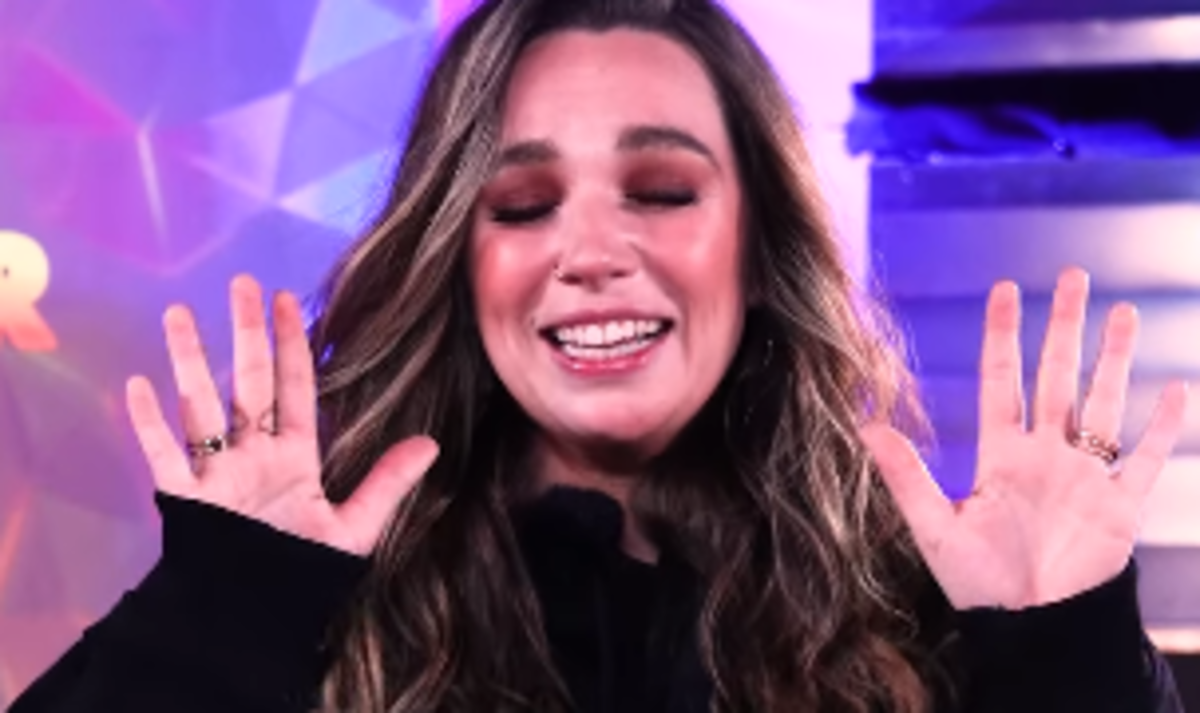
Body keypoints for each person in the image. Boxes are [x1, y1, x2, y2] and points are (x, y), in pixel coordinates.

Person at [9, 0, 1190, 711]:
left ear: (760, 243)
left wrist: (1066, 655)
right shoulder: (303, 602)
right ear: (458, 260)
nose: (590, 252)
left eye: (662, 189)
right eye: (523, 205)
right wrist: (218, 613)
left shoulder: (926, 615)